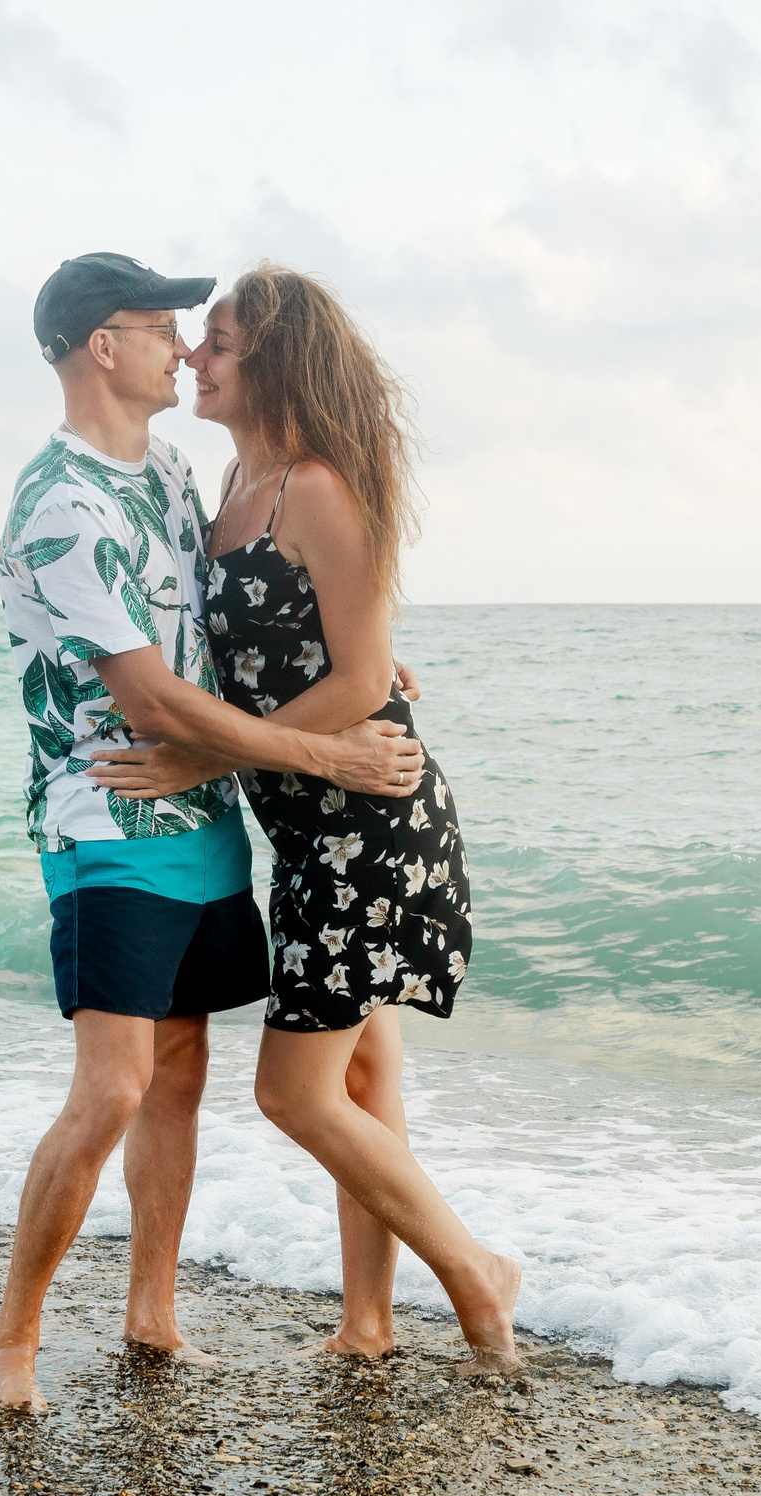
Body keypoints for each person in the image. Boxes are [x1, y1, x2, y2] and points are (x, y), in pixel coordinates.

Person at [0, 253, 429, 1411]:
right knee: (114, 1082)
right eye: (159, 328)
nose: (182, 348)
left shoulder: (173, 474)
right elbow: (158, 706)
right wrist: (334, 746)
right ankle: (13, 1336)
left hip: (208, 821)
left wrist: (360, 668)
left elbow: (217, 642)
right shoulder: (59, 507)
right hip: (108, 818)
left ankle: (152, 1315)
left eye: (192, 331)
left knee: (178, 1071)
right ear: (100, 348)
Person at [92, 263, 522, 1374]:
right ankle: (370, 1322)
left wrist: (199, 745)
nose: (196, 355)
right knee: (364, 1082)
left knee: (290, 1089)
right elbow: (285, 646)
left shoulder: (320, 486)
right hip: (303, 823)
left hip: (368, 821)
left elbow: (360, 679)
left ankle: (473, 1271)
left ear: (274, 359)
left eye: (220, 342)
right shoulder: (235, 480)